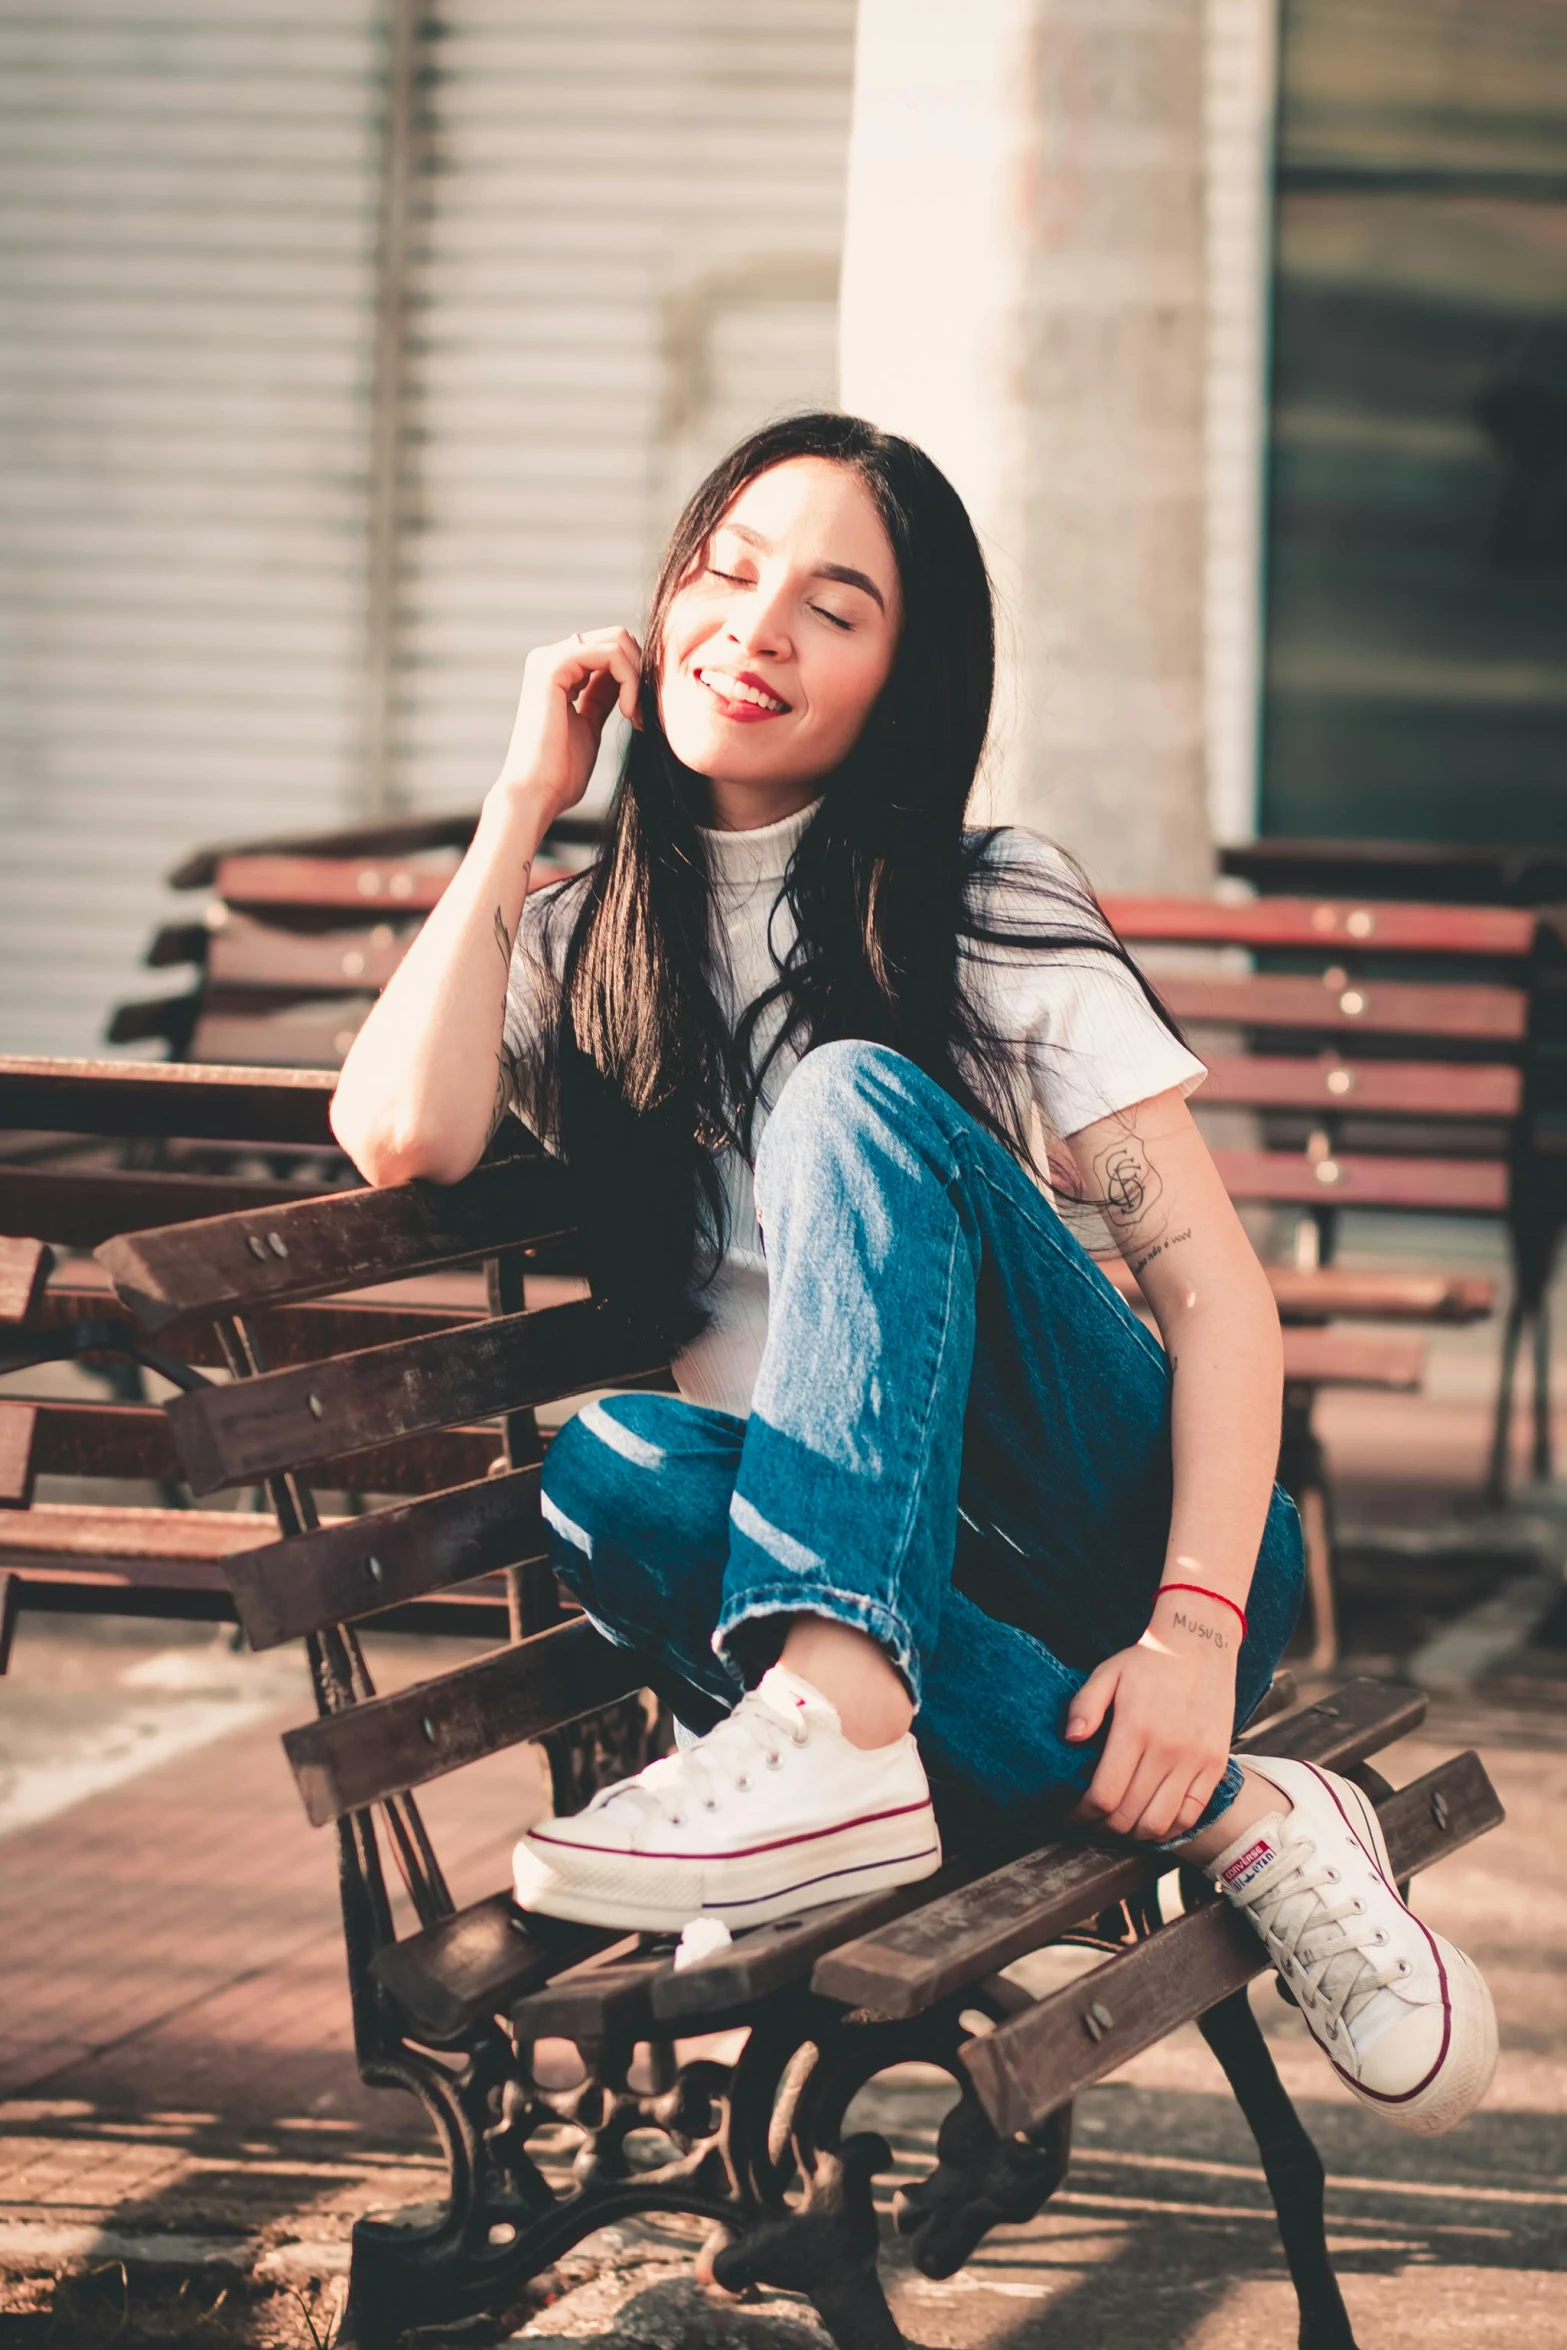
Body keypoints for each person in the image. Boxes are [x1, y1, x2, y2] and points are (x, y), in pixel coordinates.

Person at [331, 413, 1496, 2136]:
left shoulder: (989, 900)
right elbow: (396, 1135)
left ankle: (849, 1709)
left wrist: (1191, 1630)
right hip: (908, 1613)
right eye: (726, 570)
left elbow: (1214, 1302)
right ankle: (1247, 1817)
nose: (758, 626)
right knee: (611, 1469)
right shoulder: (580, 936)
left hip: (1119, 1540)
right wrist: (521, 801)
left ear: (905, 672)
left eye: (833, 604)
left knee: (851, 1094)